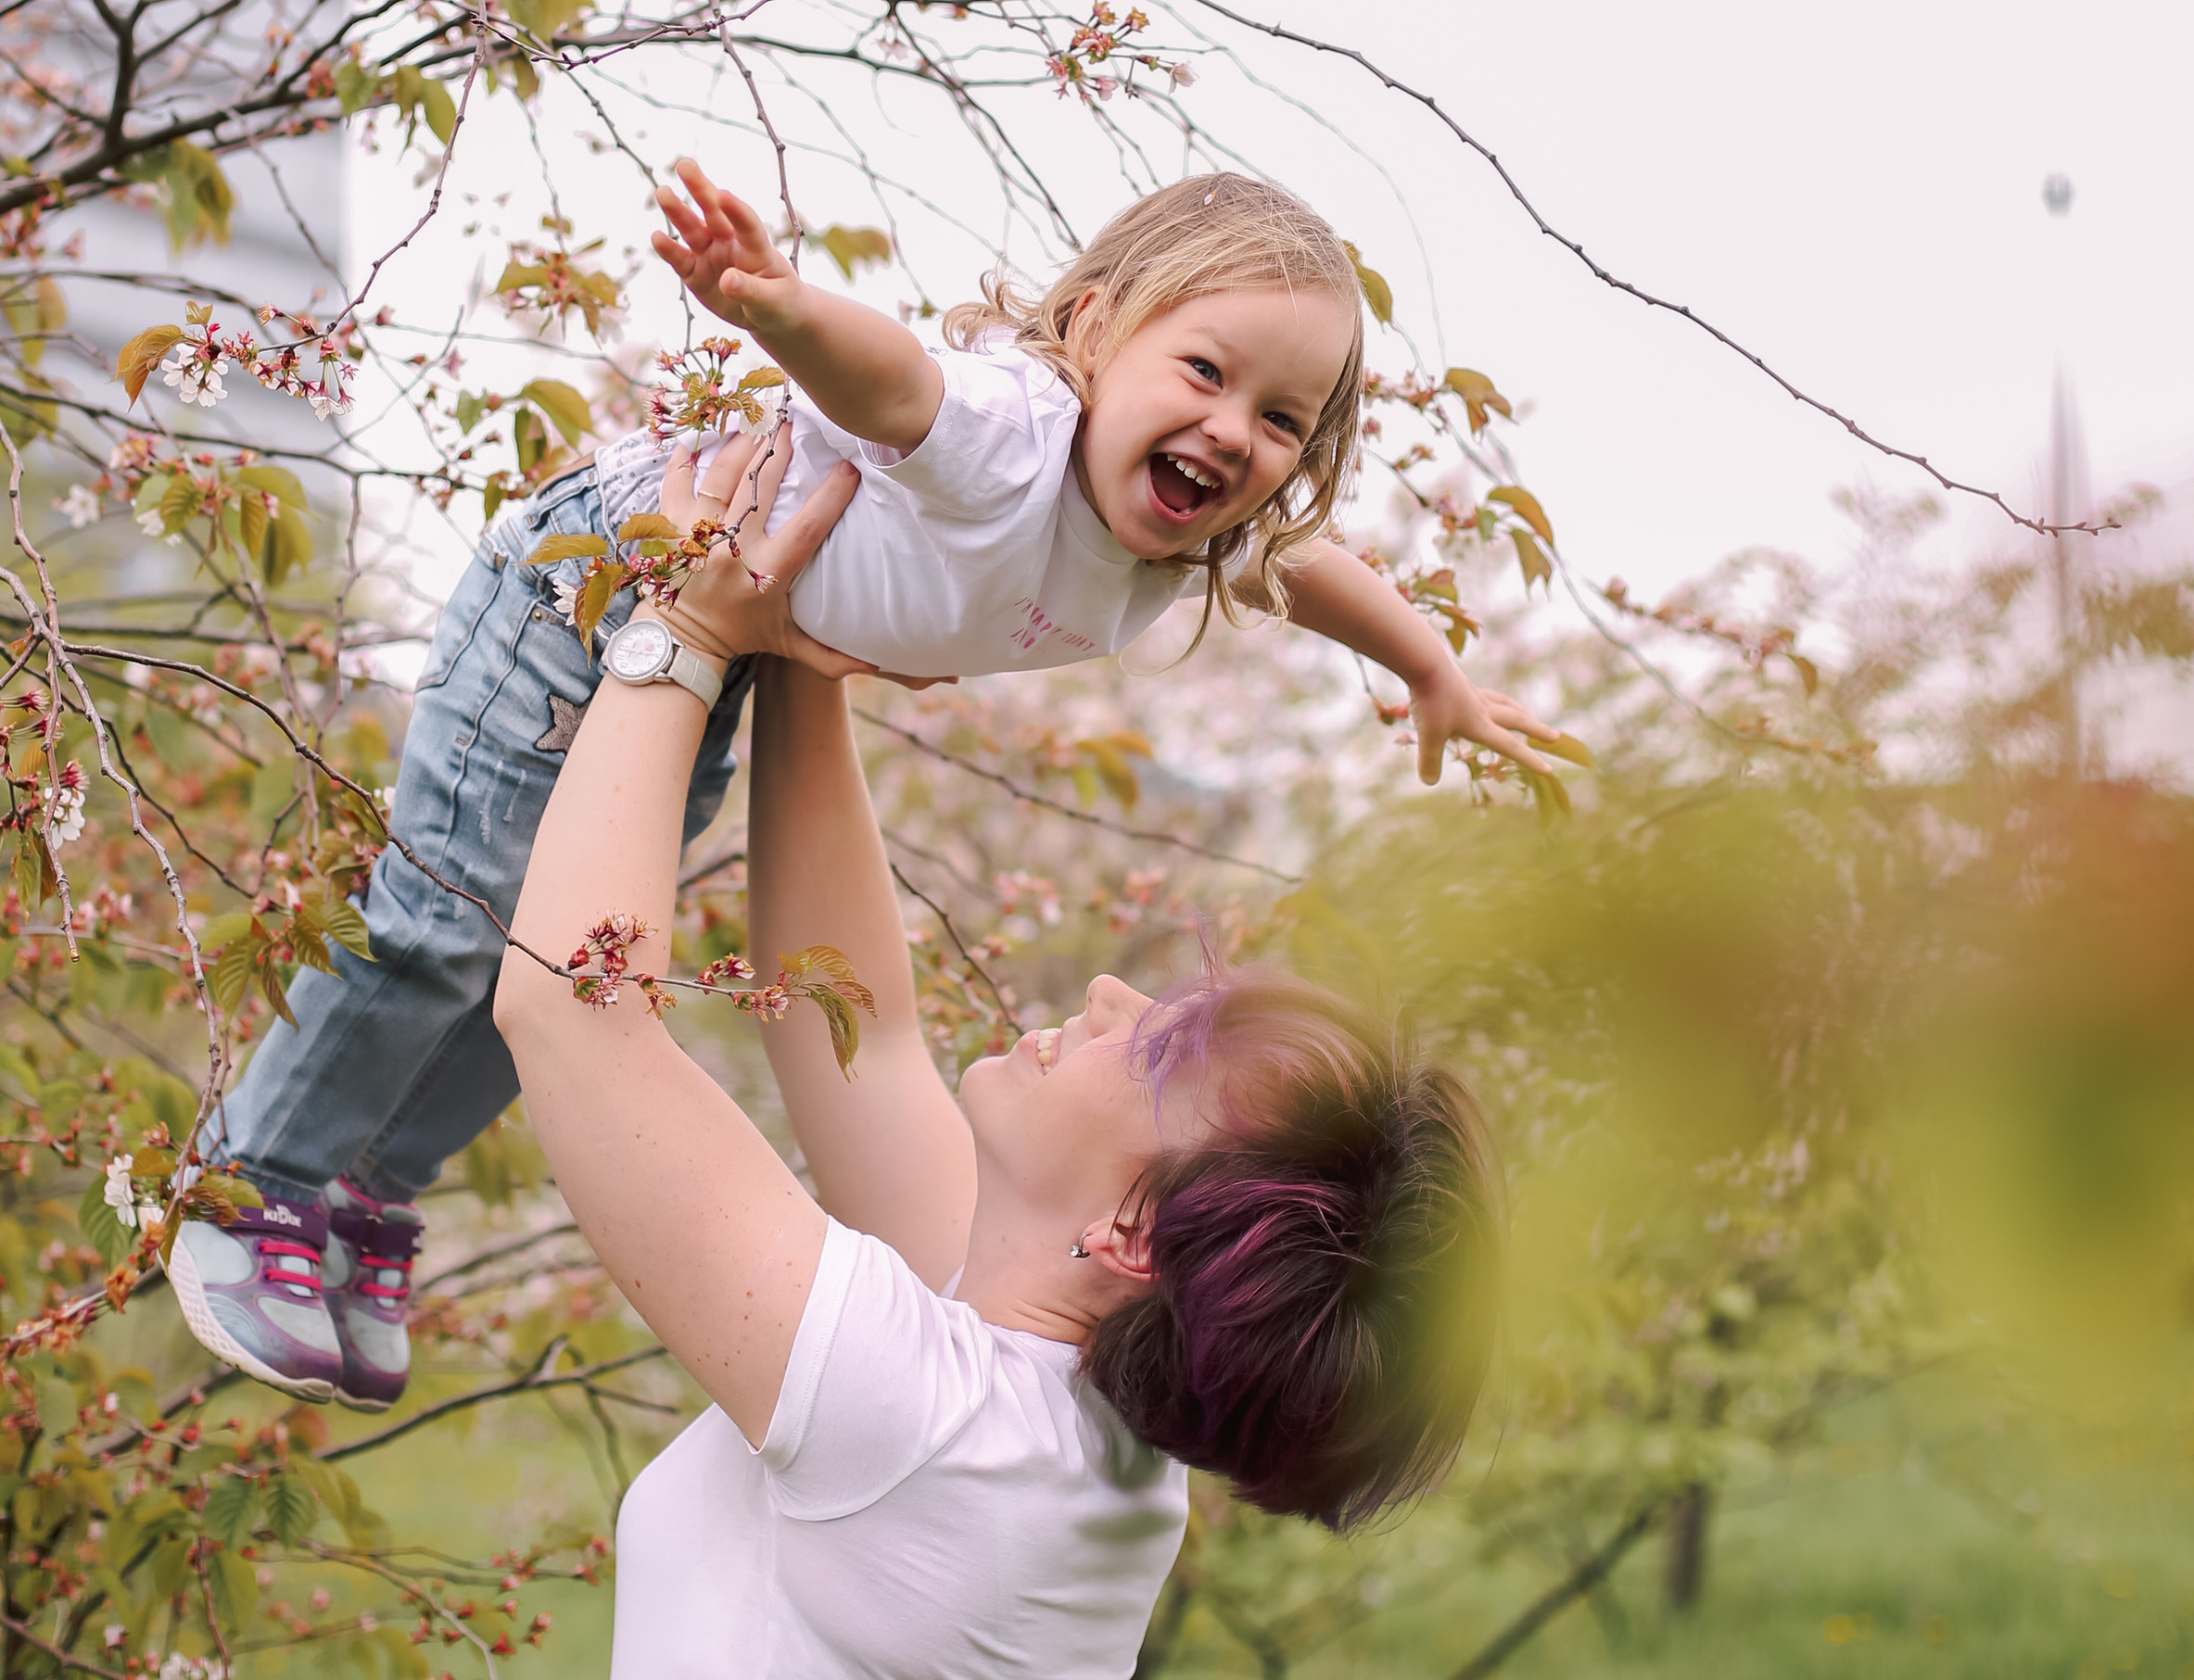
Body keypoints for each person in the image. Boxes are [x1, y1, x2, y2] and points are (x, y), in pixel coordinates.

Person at [166, 168, 1549, 1408]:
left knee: (538, 961)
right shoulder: (1016, 432)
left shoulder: (1185, 545)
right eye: (1202, 370)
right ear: (1095, 333)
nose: (1233, 431)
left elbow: (1310, 573)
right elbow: (893, 386)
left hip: (724, 657)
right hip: (596, 591)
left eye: (1282, 420)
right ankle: (256, 1183)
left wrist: (1431, 671)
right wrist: (775, 307)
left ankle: (362, 1188)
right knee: (453, 924)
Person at [490, 434, 1503, 1677]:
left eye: (1157, 1053)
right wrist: (812, 636)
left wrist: (689, 635)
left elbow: (573, 1016)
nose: (1112, 992)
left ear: (1134, 1232)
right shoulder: (1064, 1421)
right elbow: (851, 1034)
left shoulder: (933, 1437)